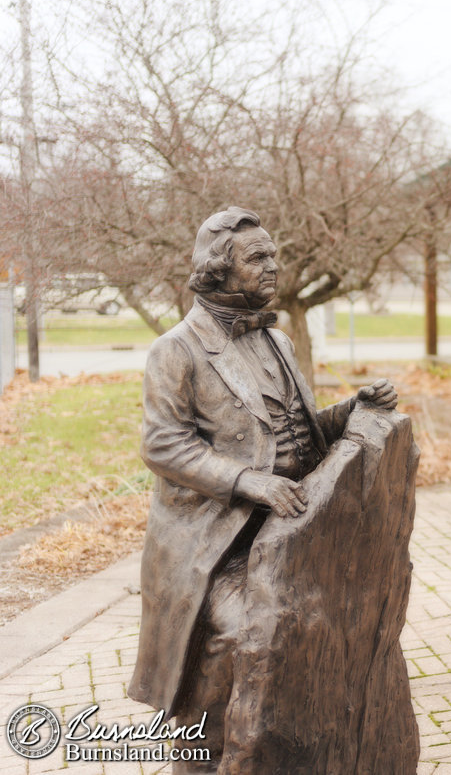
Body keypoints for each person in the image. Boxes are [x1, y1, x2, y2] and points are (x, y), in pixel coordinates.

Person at [127, 207, 397, 772]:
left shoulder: (278, 339)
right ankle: (201, 760)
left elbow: (296, 435)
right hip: (220, 540)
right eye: (257, 258)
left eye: (273, 254)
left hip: (295, 526)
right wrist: (251, 483)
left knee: (330, 625)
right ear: (218, 270)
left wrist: (354, 410)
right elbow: (163, 445)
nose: (274, 265)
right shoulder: (176, 349)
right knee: (241, 632)